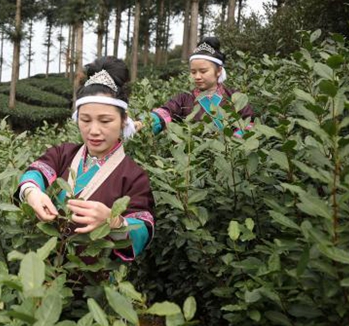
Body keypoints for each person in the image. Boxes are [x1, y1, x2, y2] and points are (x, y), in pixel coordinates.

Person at [16, 56, 155, 262]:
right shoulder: (63, 154)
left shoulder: (134, 176)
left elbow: (143, 229)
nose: (94, 131)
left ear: (124, 120)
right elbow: (36, 172)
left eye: (105, 120)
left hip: (95, 281)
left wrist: (113, 221)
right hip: (44, 270)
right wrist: (32, 192)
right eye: (85, 120)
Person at [138, 37, 254, 137]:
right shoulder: (184, 98)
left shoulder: (234, 97)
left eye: (203, 71)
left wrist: (234, 141)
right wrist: (144, 123)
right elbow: (167, 111)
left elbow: (248, 123)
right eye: (193, 72)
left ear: (218, 71)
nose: (197, 76)